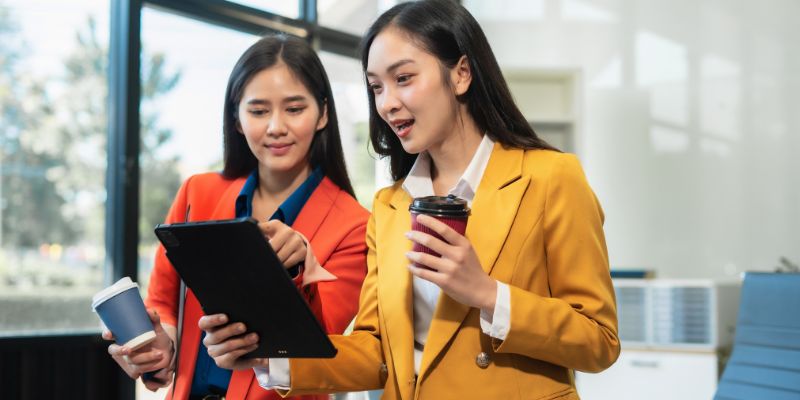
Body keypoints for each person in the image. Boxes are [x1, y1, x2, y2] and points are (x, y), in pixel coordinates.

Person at [202, 1, 620, 399]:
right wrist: (268, 357)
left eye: (403, 79)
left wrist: (489, 294)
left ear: (461, 74)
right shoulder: (389, 207)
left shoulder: (550, 178)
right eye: (376, 87)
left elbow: (599, 341)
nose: (387, 103)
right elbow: (376, 352)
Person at [102, 34, 370, 400]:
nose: (276, 126)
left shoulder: (354, 226)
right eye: (259, 111)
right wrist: (158, 350)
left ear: (323, 113)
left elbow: (318, 347)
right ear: (238, 119)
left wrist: (299, 271)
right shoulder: (198, 194)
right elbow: (164, 302)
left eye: (294, 109)